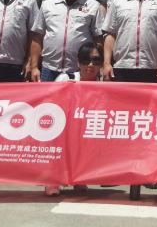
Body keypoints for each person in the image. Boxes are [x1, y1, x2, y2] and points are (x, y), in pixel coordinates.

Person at [44, 41, 103, 197]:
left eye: (96, 61)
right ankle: (53, 181)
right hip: (63, 127)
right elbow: (50, 102)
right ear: (78, 62)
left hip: (87, 129)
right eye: (86, 60)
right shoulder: (66, 78)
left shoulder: (103, 86)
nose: (90, 65)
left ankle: (79, 179)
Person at [29, 0, 102, 82]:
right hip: (49, 69)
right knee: (48, 95)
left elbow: (98, 39)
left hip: (79, 71)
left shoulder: (93, 6)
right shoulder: (47, 5)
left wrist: (99, 66)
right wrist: (34, 67)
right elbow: (37, 37)